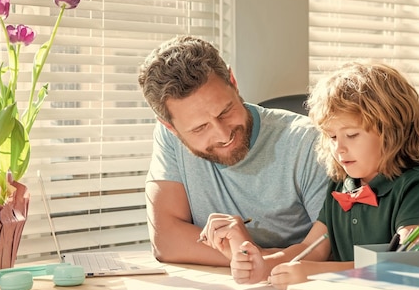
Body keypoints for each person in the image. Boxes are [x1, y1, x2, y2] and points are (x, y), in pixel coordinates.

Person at [231, 62, 419, 290]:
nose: (339, 149)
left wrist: (317, 274)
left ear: (391, 131)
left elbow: (404, 268)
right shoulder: (340, 185)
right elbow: (313, 248)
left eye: (351, 135)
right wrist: (266, 265)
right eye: (332, 137)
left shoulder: (418, 187)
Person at [138, 35, 330, 267]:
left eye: (225, 111)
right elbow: (166, 240)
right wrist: (245, 256)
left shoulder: (307, 141)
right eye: (200, 128)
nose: (222, 134)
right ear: (171, 127)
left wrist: (253, 259)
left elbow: (329, 247)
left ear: (233, 81)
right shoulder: (169, 137)